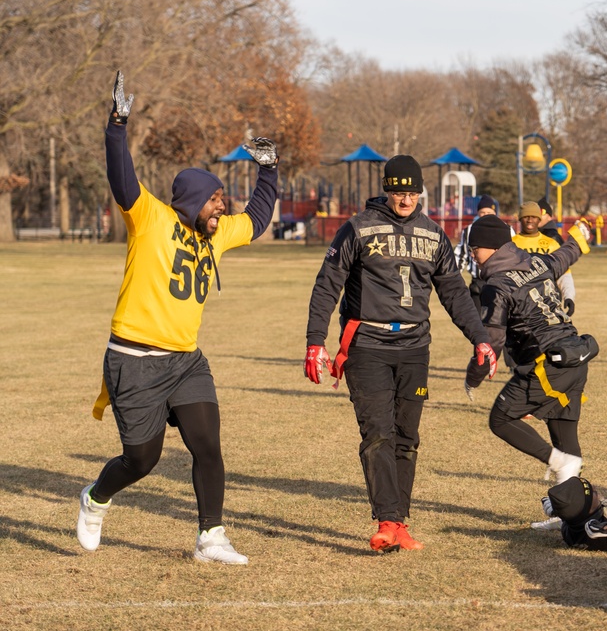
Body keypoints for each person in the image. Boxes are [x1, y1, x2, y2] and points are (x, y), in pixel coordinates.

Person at [78, 71, 279, 565]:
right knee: (141, 460)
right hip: (135, 361)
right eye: (214, 199)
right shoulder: (150, 217)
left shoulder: (215, 234)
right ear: (191, 200)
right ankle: (95, 498)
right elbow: (121, 174)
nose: (221, 207)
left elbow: (256, 218)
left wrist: (270, 169)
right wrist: (117, 123)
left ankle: (211, 537)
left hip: (185, 361)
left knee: (207, 446)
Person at [304, 155, 497, 553]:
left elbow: (455, 292)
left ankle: (399, 522)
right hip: (367, 346)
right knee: (378, 434)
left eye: (411, 191)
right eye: (397, 190)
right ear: (386, 189)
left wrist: (479, 338)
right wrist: (315, 340)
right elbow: (328, 284)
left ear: (420, 191)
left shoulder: (434, 234)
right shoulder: (357, 228)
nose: (404, 198)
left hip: (415, 348)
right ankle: (387, 520)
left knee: (407, 437)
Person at [463, 214, 594, 485]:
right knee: (566, 440)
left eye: (475, 248)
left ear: (494, 247)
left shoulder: (496, 285)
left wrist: (473, 377)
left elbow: (492, 343)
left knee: (500, 419)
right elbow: (566, 254)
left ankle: (559, 463)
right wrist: (579, 235)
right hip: (575, 356)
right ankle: (575, 516)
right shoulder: (538, 261)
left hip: (547, 364)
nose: (472, 255)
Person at [512, 201, 576, 316]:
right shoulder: (511, 243)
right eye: (526, 216)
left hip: (548, 304)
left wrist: (569, 297)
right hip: (520, 305)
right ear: (520, 219)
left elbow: (564, 274)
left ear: (539, 219)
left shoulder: (551, 244)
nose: (530, 220)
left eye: (533, 217)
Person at [454, 195, 500, 311]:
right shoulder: (469, 230)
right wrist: (454, 278)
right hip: (478, 283)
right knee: (477, 321)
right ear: (478, 213)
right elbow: (461, 255)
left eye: (489, 212)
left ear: (494, 213)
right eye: (482, 212)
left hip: (499, 282)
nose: (485, 215)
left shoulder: (505, 229)